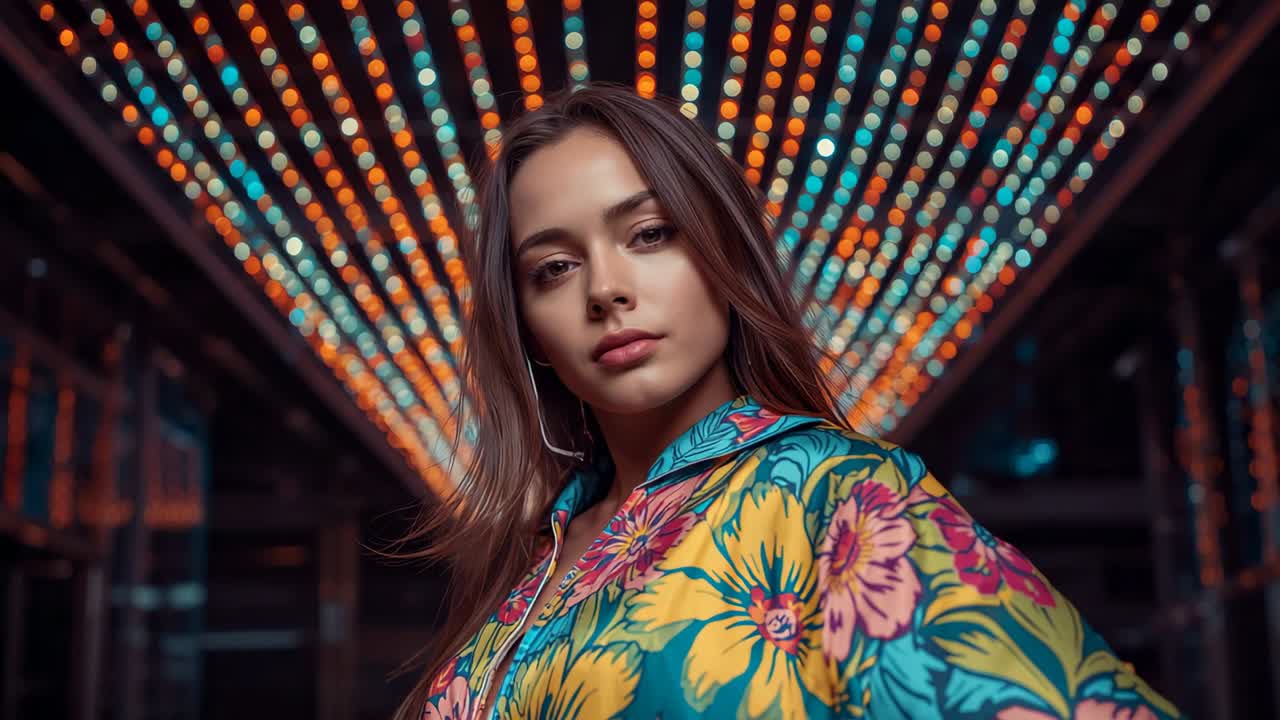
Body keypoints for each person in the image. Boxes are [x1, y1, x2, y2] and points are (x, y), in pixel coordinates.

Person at [390, 83, 1179, 720]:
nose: (606, 290)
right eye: (555, 268)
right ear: (525, 328)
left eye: (650, 234)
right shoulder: (533, 560)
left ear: (724, 248)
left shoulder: (840, 496)